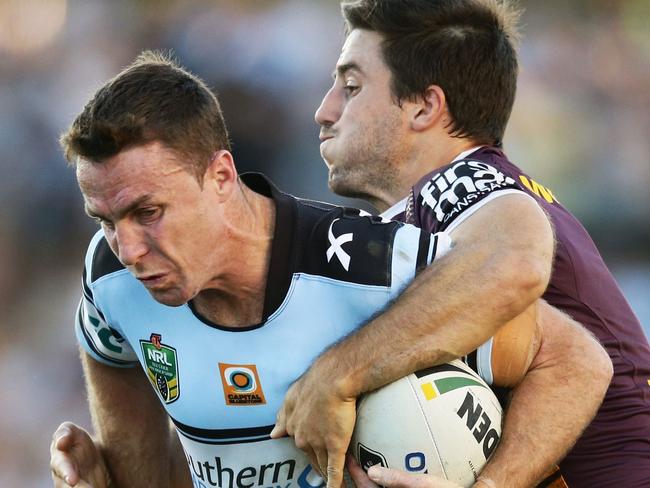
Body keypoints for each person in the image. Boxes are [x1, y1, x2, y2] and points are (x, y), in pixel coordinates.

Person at [48, 52, 612, 488]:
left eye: (147, 213)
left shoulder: (367, 267)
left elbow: (574, 362)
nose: (128, 248)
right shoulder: (111, 283)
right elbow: (148, 467)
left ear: (221, 176)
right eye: (104, 220)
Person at [274, 0, 650, 487]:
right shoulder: (439, 205)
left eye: (351, 87)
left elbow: (514, 263)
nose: (324, 111)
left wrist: (337, 375)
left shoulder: (463, 183)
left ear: (425, 106)